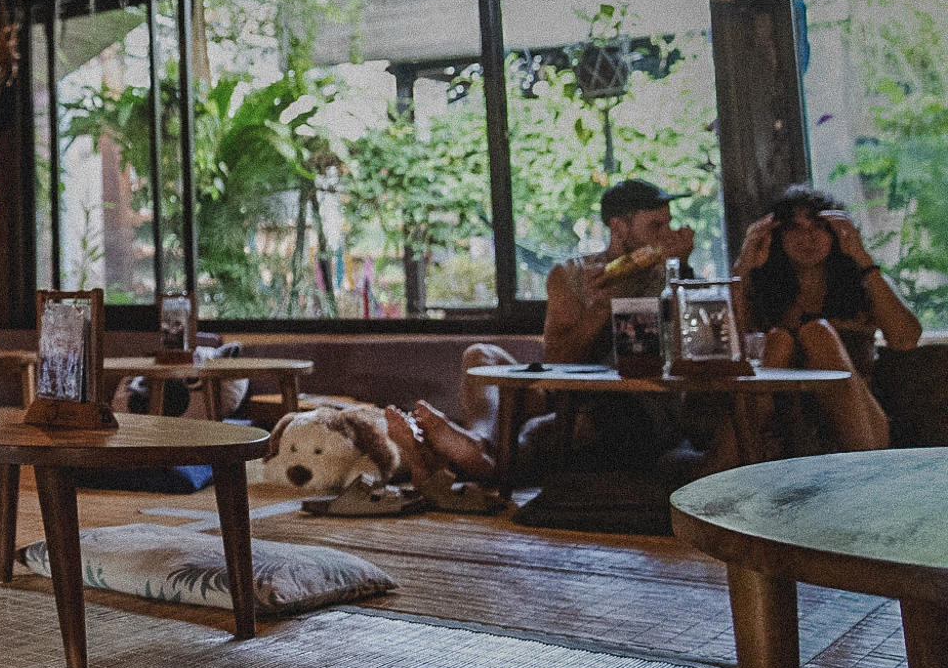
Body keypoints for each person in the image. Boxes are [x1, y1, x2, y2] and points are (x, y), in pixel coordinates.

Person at [393, 179, 697, 483]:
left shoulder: (671, 278)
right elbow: (559, 361)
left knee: (538, 431)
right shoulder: (570, 275)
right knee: (480, 354)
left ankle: (455, 459)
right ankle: (476, 441)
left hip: (635, 405)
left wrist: (681, 267)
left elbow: (693, 338)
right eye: (656, 226)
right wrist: (602, 306)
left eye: (669, 224)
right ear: (619, 227)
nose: (668, 235)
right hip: (571, 392)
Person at [727, 185, 918, 454]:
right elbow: (726, 348)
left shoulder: (860, 285)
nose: (807, 238)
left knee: (817, 333)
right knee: (778, 341)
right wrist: (743, 267)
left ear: (835, 233)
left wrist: (861, 256)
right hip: (783, 425)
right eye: (794, 228)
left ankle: (864, 467)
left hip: (861, 425)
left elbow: (906, 339)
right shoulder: (760, 290)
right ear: (777, 236)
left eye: (818, 226)